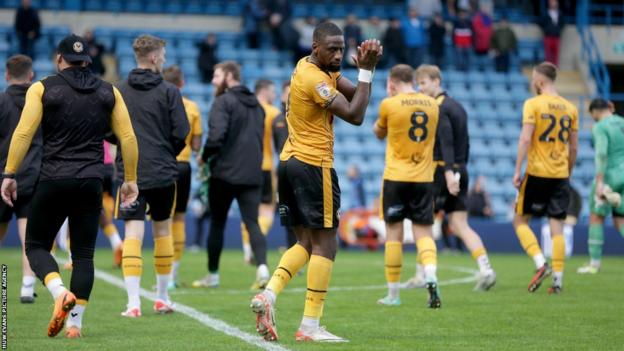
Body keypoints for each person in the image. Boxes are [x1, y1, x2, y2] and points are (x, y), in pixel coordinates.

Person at [250, 21, 382, 343]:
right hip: (313, 165)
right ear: (315, 48)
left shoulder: (310, 67)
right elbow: (356, 114)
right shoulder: (315, 79)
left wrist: (366, 72)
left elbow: (357, 95)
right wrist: (365, 73)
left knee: (305, 244)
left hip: (290, 162)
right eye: (332, 49)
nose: (338, 54)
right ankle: (310, 325)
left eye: (341, 48)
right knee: (327, 244)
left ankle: (268, 296)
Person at [1, 34, 138, 338]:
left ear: (59, 60)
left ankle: (58, 291)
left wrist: (9, 173)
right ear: (88, 60)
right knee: (84, 255)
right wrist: (130, 180)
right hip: (90, 181)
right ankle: (75, 325)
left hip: (52, 178)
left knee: (35, 245)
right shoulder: (109, 91)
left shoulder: (43, 88)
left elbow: (23, 134)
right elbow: (128, 139)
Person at [116, 34, 189, 317]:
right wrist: (164, 152)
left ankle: (133, 303)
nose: (165, 60)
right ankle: (161, 297)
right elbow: (181, 133)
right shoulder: (170, 91)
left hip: (128, 174)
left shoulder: (119, 90)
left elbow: (109, 132)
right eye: (164, 56)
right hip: (162, 172)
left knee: (133, 233)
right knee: (162, 231)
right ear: (155, 57)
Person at [415, 64, 497, 291]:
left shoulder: (438, 106)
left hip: (441, 170)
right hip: (461, 168)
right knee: (460, 224)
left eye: (423, 83)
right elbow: (466, 143)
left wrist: (448, 172)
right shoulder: (459, 106)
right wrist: (460, 170)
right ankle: (485, 267)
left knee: (423, 222)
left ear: (436, 81)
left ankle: (422, 273)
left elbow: (446, 141)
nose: (420, 88)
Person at [192, 61, 269, 290]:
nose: (213, 81)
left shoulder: (222, 101)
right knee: (252, 222)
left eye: (216, 76)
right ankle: (263, 269)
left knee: (217, 223)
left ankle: (213, 276)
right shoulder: (258, 106)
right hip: (253, 173)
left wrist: (204, 157)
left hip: (224, 174)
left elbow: (216, 137)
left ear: (229, 75)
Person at [372, 64, 442, 307]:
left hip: (396, 177)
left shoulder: (389, 104)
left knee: (394, 235)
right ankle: (430, 274)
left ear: (392, 83)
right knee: (424, 233)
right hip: (423, 178)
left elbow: (379, 132)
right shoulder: (433, 104)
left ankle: (393, 295)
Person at [512, 62, 578, 294]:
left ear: (540, 82)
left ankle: (540, 263)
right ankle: (558, 282)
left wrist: (518, 170)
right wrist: (567, 173)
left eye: (533, 79)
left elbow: (525, 139)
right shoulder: (571, 108)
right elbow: (574, 148)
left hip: (537, 172)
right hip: (560, 174)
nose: (532, 82)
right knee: (557, 226)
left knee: (520, 221)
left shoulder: (533, 104)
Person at [0, 54, 41, 304]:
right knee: (29, 235)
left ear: (6, 75)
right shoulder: (40, 102)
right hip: (33, 176)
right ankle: (27, 287)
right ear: (31, 75)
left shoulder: (1, 101)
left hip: (3, 176)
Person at [162, 65, 203, 289]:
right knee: (179, 218)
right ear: (182, 83)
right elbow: (197, 144)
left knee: (163, 221)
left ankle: (164, 273)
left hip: (161, 166)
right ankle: (173, 275)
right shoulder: (193, 107)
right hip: (184, 165)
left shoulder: (158, 103)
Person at [577, 99, 624, 274]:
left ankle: (594, 264)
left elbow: (602, 154)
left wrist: (599, 182)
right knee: (620, 220)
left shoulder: (600, 127)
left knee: (596, 217)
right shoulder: (622, 122)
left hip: (611, 176)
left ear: (595, 112)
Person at [240, 79, 281, 270]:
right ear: (264, 91)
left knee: (248, 212)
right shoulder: (273, 113)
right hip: (265, 166)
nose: (275, 96)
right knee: (266, 211)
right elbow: (278, 144)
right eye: (273, 91)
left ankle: (248, 247)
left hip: (245, 166)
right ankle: (255, 247)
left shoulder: (244, 109)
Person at [276, 80, 296, 248]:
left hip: (303, 169)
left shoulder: (302, 118)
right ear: (282, 96)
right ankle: (293, 251)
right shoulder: (276, 120)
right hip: (284, 172)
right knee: (289, 217)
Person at [540, 0, 564, 66]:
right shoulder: (546, 13)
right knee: (548, 53)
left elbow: (562, 23)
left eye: (554, 2)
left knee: (556, 53)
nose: (553, 3)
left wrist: (558, 29)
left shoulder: (559, 13)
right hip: (548, 36)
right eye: (551, 2)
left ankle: (555, 67)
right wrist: (547, 29)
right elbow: (542, 23)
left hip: (556, 36)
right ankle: (548, 67)